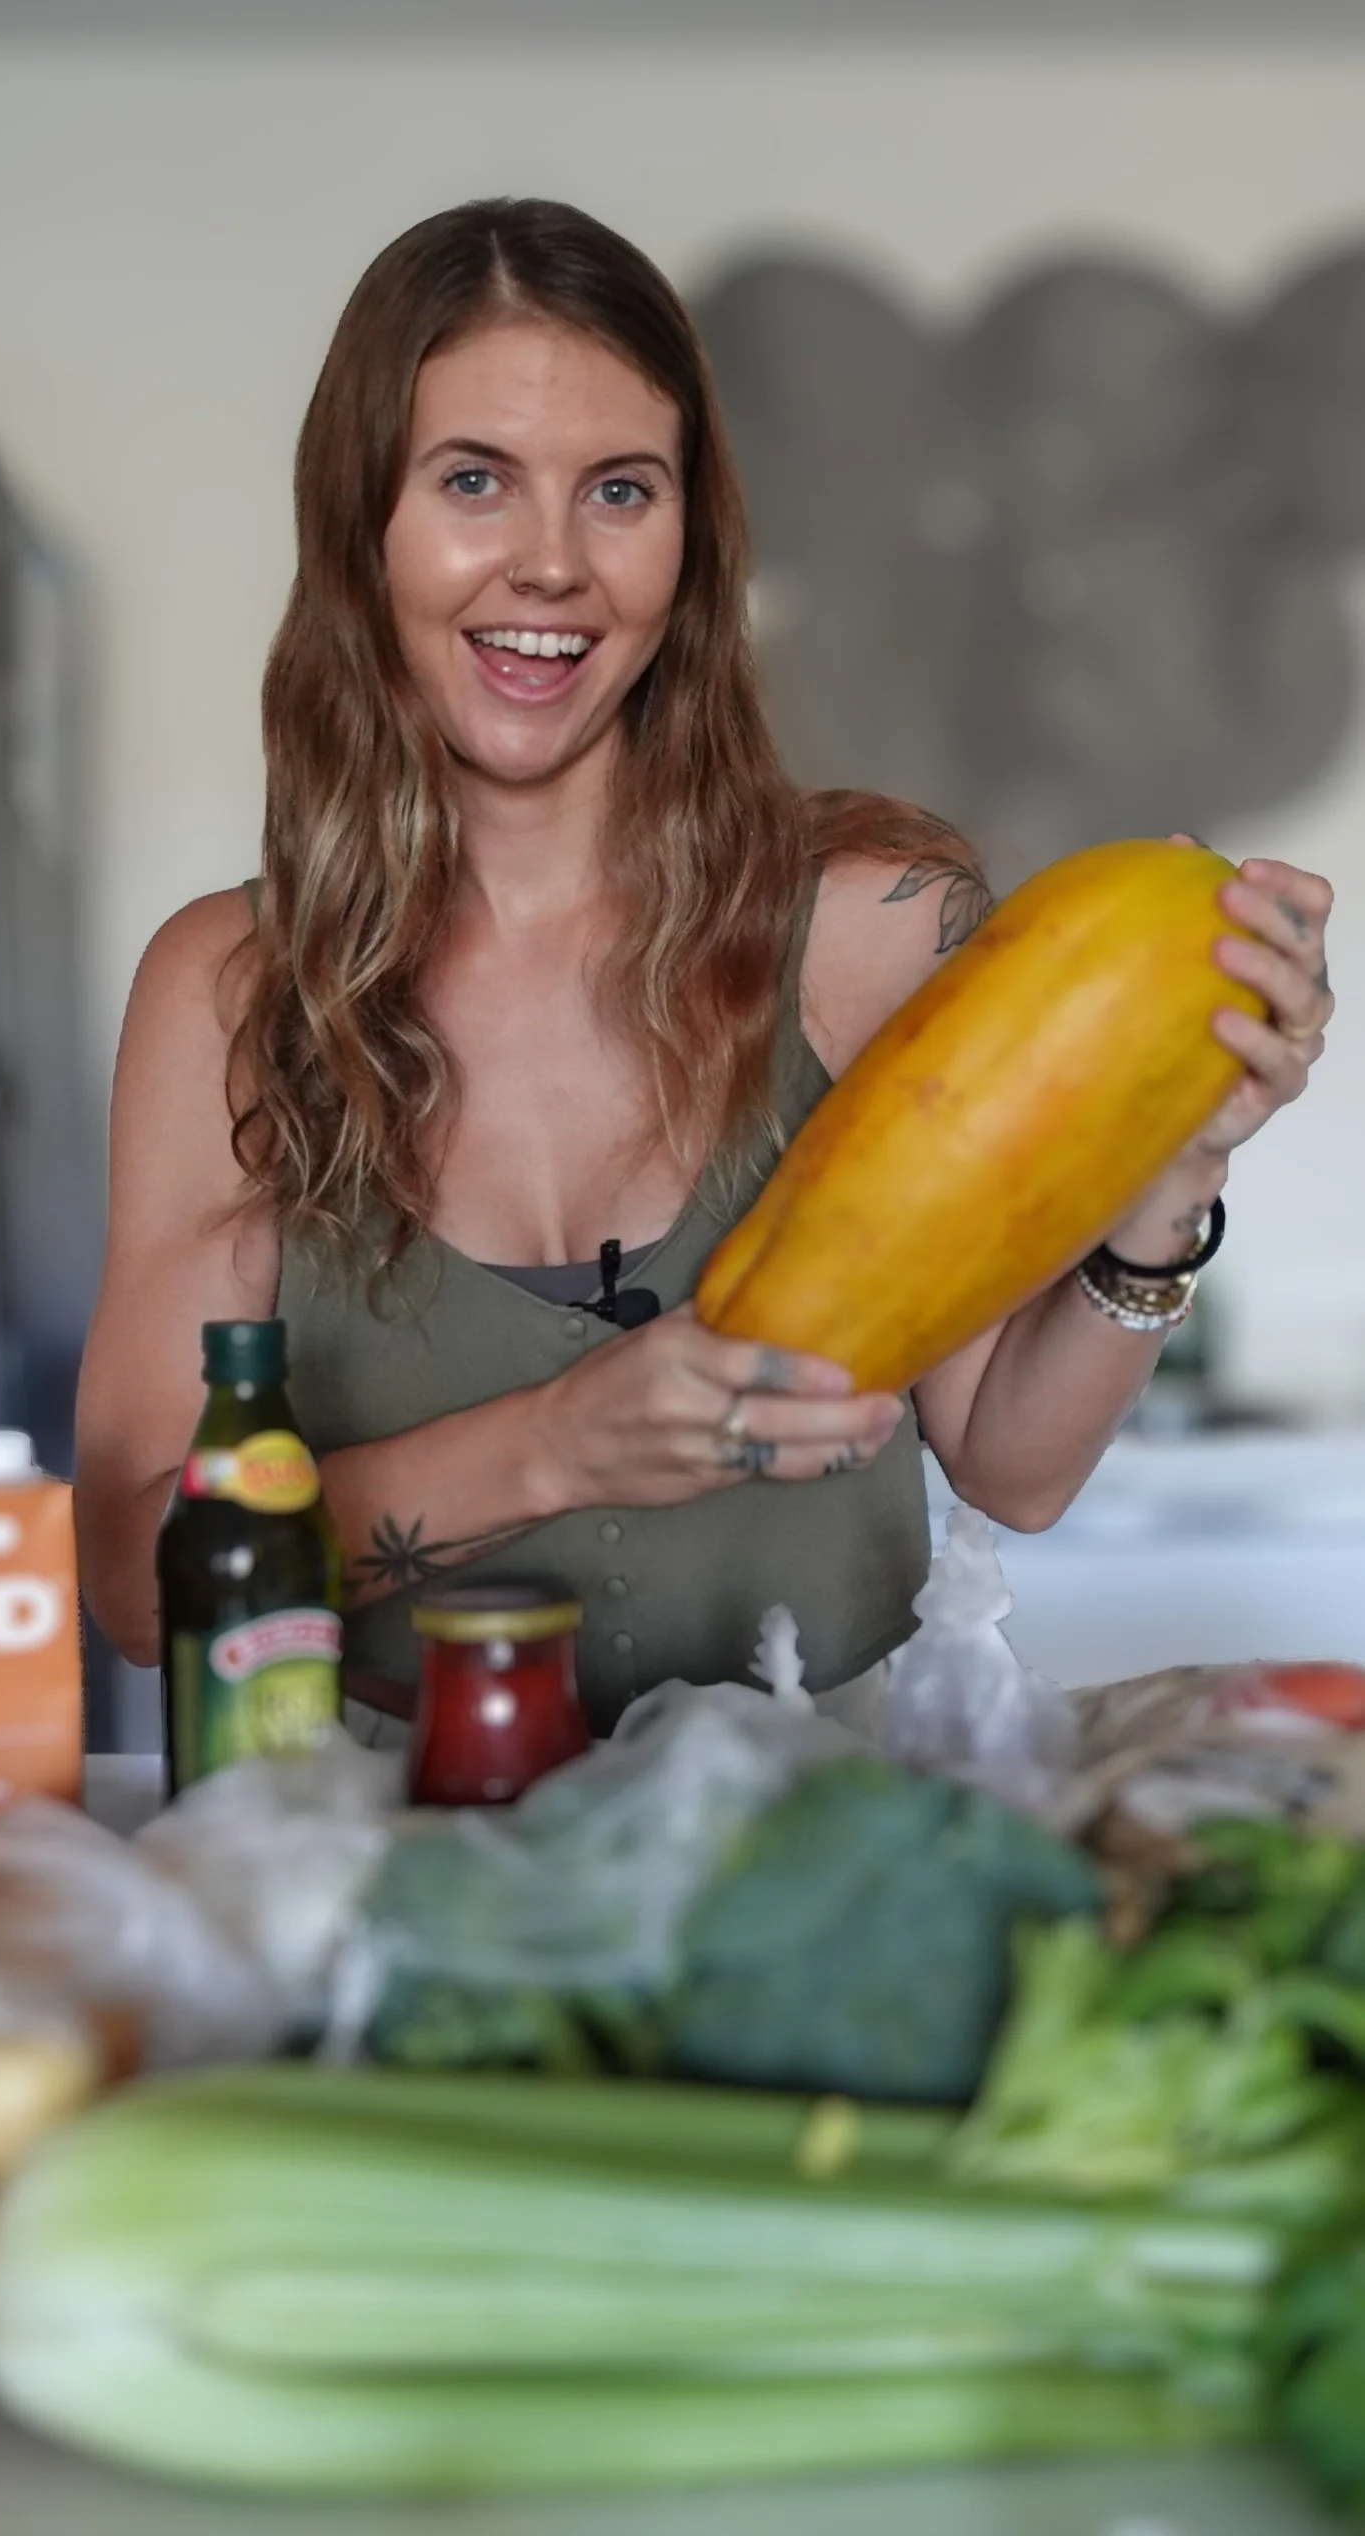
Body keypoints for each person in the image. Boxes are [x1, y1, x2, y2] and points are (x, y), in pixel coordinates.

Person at [75, 197, 1334, 1736]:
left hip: (820, 1852)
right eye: (475, 481)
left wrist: (1176, 1171)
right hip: (389, 1881)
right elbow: (144, 1588)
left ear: (693, 539)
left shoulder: (873, 921)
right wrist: (557, 1446)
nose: (551, 565)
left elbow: (1014, 1462)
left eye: (619, 490)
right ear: (364, 523)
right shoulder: (235, 991)